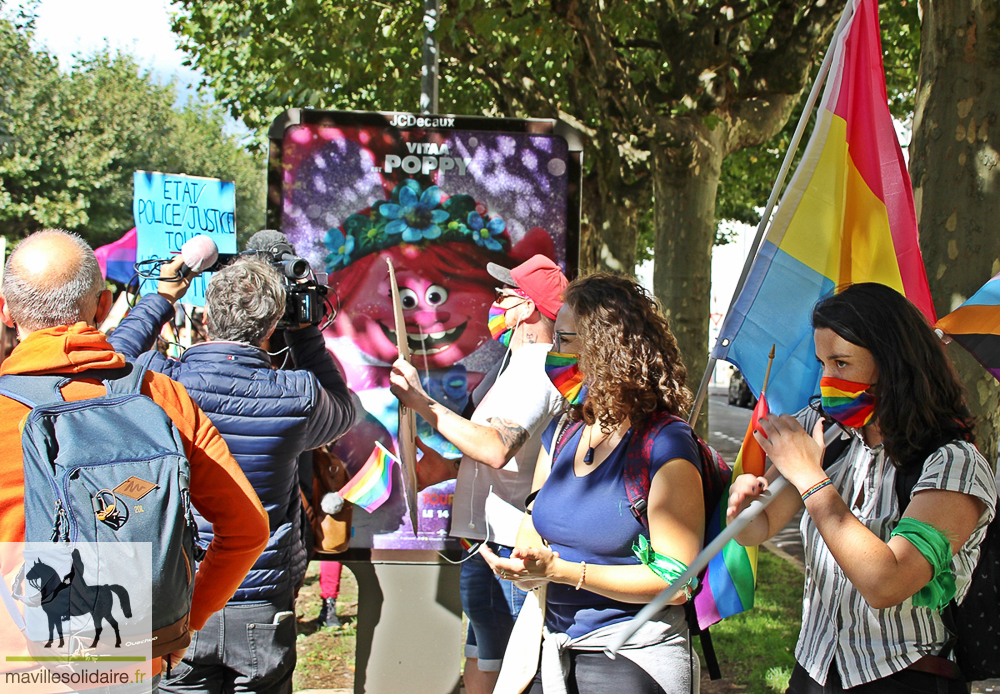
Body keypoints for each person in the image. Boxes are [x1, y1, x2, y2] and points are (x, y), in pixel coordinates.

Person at [0, 229, 269, 690]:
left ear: (5, 310)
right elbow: (248, 529)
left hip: (18, 666)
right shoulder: (162, 397)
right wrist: (179, 626)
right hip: (130, 661)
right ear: (103, 306)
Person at [727, 282, 998, 693]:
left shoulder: (953, 463)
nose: (826, 381)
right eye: (821, 364)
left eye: (841, 363)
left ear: (894, 364)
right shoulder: (829, 433)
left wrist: (812, 481)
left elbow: (887, 583)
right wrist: (743, 508)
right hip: (814, 669)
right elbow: (761, 526)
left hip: (903, 675)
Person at [108, 252, 356, 694]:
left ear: (208, 316)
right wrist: (303, 335)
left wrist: (161, 298)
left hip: (179, 591)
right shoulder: (297, 396)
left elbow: (108, 365)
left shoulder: (161, 382)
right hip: (260, 598)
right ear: (273, 320)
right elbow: (344, 408)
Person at [486, 273, 709, 694]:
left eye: (565, 341)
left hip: (630, 658)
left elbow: (677, 581)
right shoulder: (564, 430)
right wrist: (524, 563)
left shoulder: (665, 442)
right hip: (549, 650)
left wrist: (564, 572)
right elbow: (534, 519)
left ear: (608, 353)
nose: (554, 354)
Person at [389, 254, 567, 694]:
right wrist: (448, 468)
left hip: (507, 548)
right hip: (489, 546)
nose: (497, 301)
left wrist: (421, 404)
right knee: (482, 658)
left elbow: (494, 447)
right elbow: (504, 456)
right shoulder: (518, 367)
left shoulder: (540, 369)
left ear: (528, 309)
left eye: (506, 294)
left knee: (508, 672)